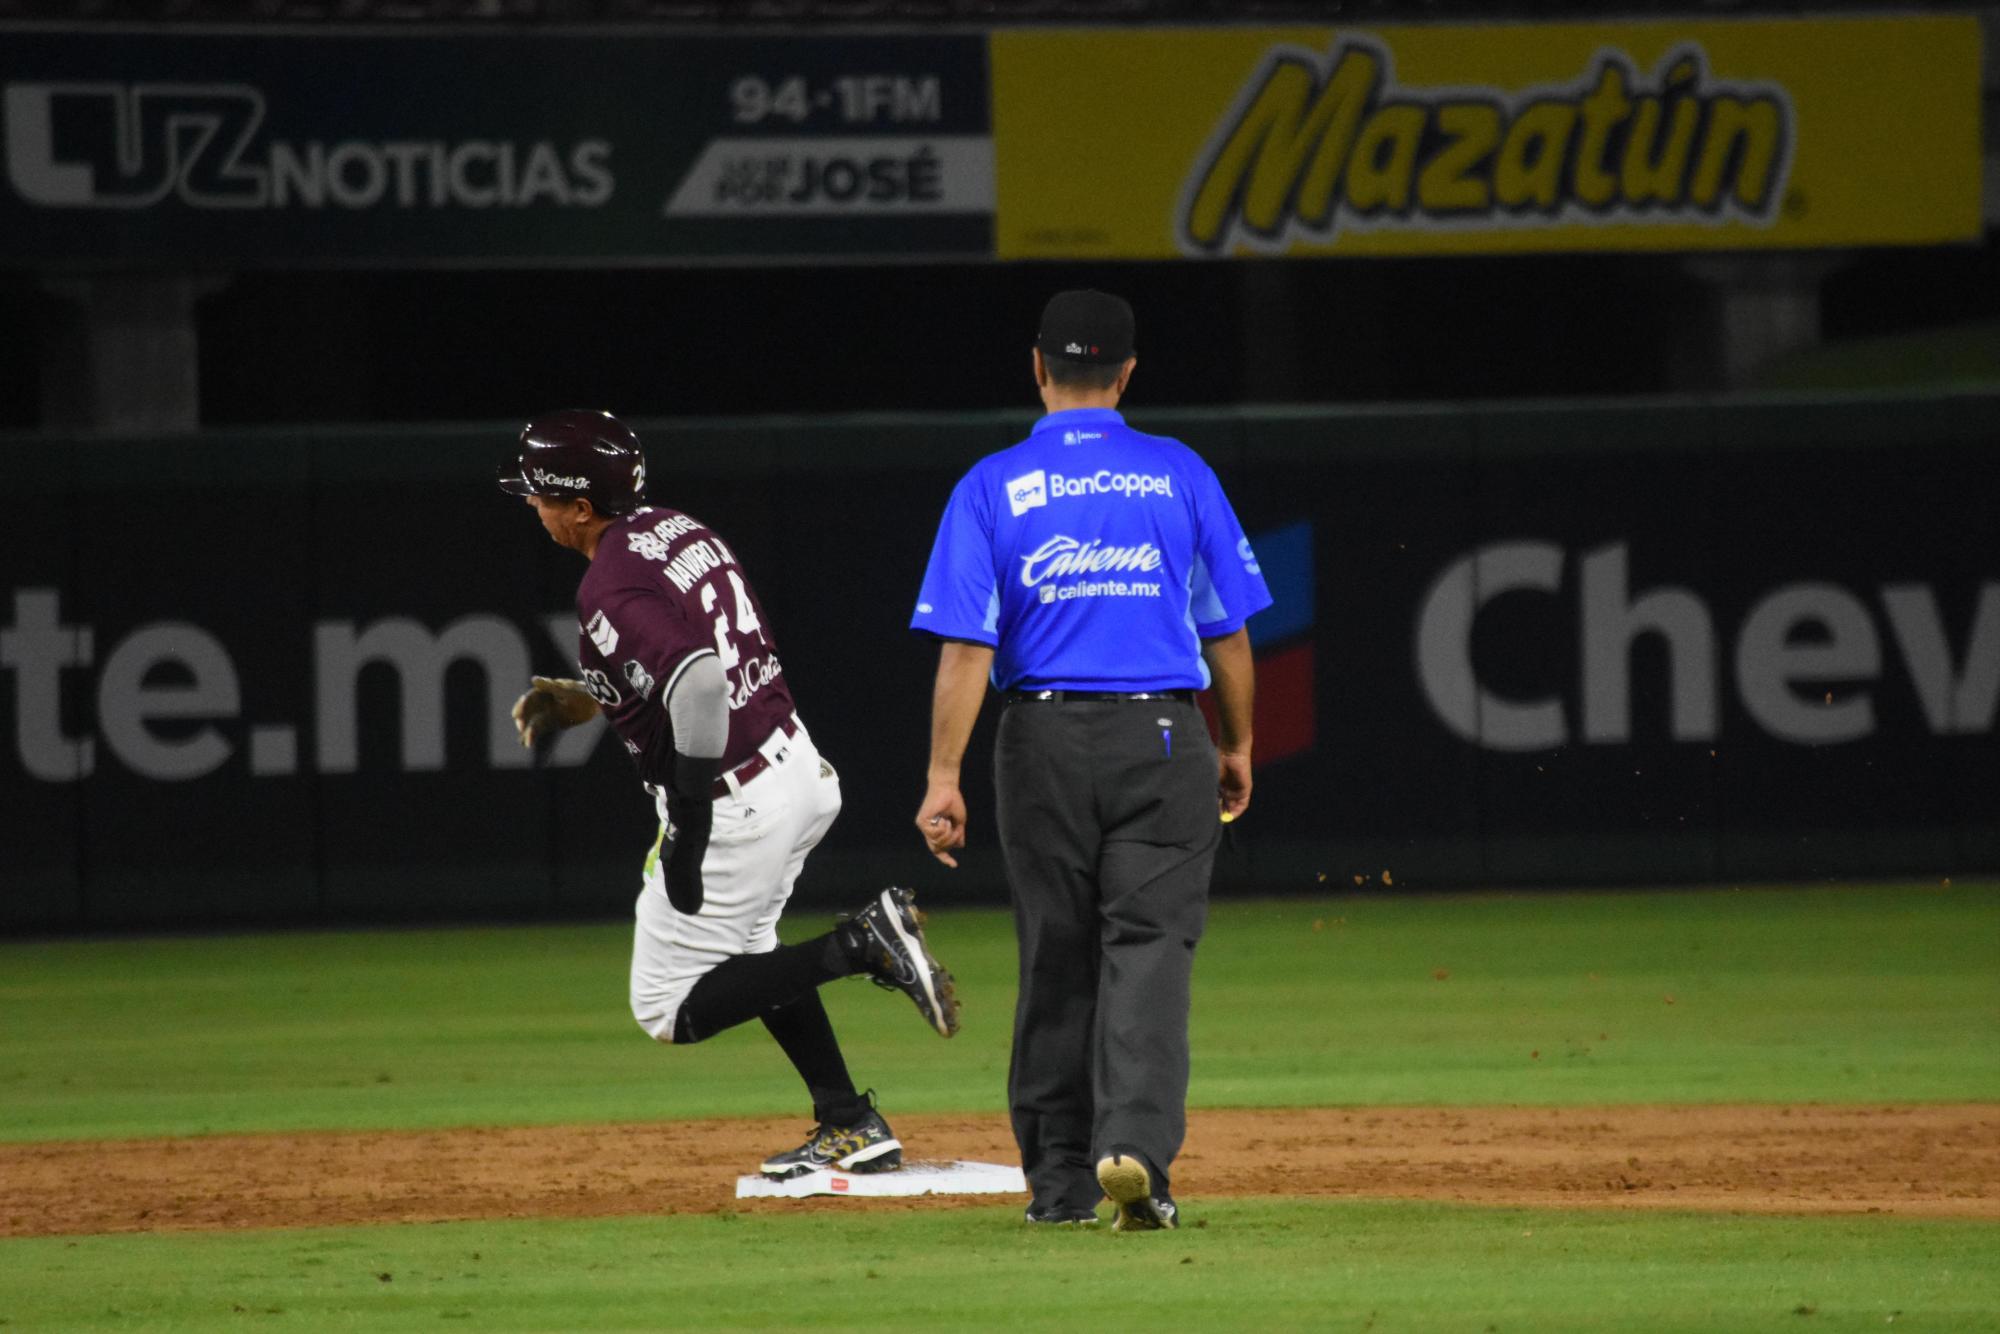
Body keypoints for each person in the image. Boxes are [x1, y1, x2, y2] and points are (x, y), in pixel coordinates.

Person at [499, 408, 959, 1180]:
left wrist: (687, 822)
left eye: (540, 494)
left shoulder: (606, 584)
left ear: (580, 507)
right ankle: (848, 1120)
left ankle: (861, 942)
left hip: (734, 802)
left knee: (667, 1010)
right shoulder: (675, 528)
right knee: (752, 952)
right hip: (797, 770)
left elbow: (701, 681)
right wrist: (593, 696)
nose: (532, 505)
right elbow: (691, 660)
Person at [909, 291, 1271, 1231]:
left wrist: (944, 776)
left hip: (1041, 741)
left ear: (1038, 367)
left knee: (1056, 957)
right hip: (1161, 737)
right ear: (1128, 372)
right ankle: (1136, 1154)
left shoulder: (991, 485)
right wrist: (1232, 744)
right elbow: (1226, 634)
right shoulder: (1179, 473)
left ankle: (1059, 1182)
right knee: (1149, 952)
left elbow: (965, 652)